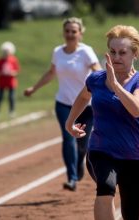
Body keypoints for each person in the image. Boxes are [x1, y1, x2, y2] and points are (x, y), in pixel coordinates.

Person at [65, 25, 139, 219]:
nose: (116, 57)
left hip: (137, 156)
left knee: (131, 214)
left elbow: (137, 109)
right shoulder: (96, 79)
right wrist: (69, 122)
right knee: (105, 188)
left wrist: (116, 86)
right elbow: (82, 98)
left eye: (122, 52)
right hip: (102, 150)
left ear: (135, 53)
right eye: (113, 52)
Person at [24, 17, 102, 191]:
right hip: (64, 103)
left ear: (80, 34)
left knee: (83, 143)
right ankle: (72, 177)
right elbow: (51, 73)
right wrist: (34, 88)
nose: (70, 34)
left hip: (86, 105)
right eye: (67, 31)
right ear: (63, 33)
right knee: (68, 138)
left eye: (74, 31)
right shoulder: (57, 52)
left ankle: (79, 161)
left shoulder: (86, 52)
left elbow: (97, 70)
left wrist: (107, 83)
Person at [0, 41, 21, 118]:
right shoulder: (0, 60)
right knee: (0, 97)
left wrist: (12, 73)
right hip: (2, 82)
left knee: (11, 97)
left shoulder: (13, 60)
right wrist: (2, 73)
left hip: (11, 82)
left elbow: (17, 70)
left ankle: (11, 112)